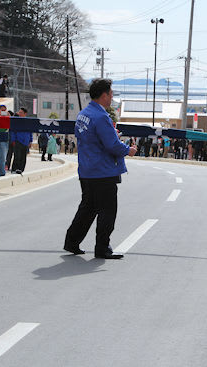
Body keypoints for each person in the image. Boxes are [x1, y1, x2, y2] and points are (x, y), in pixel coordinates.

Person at [63, 78, 137, 259]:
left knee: (87, 208)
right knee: (107, 211)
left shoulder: (84, 114)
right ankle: (102, 248)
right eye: (111, 94)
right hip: (102, 171)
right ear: (104, 95)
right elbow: (112, 145)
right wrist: (129, 150)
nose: (112, 97)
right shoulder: (101, 117)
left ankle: (72, 241)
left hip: (86, 170)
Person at [12, 108, 33, 174]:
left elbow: (30, 132)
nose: (19, 113)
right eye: (19, 112)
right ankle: (15, 169)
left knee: (23, 157)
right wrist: (13, 140)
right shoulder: (16, 121)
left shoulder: (28, 122)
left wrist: (30, 141)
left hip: (26, 142)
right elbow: (13, 131)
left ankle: (21, 169)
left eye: (21, 112)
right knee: (17, 156)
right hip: (18, 141)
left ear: (25, 113)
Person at [0, 105, 10, 177]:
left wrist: (8, 116)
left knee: (3, 158)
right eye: (2, 110)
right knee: (2, 158)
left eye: (4, 110)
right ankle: (1, 172)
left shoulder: (6, 118)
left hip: (6, 140)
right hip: (0, 141)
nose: (3, 112)